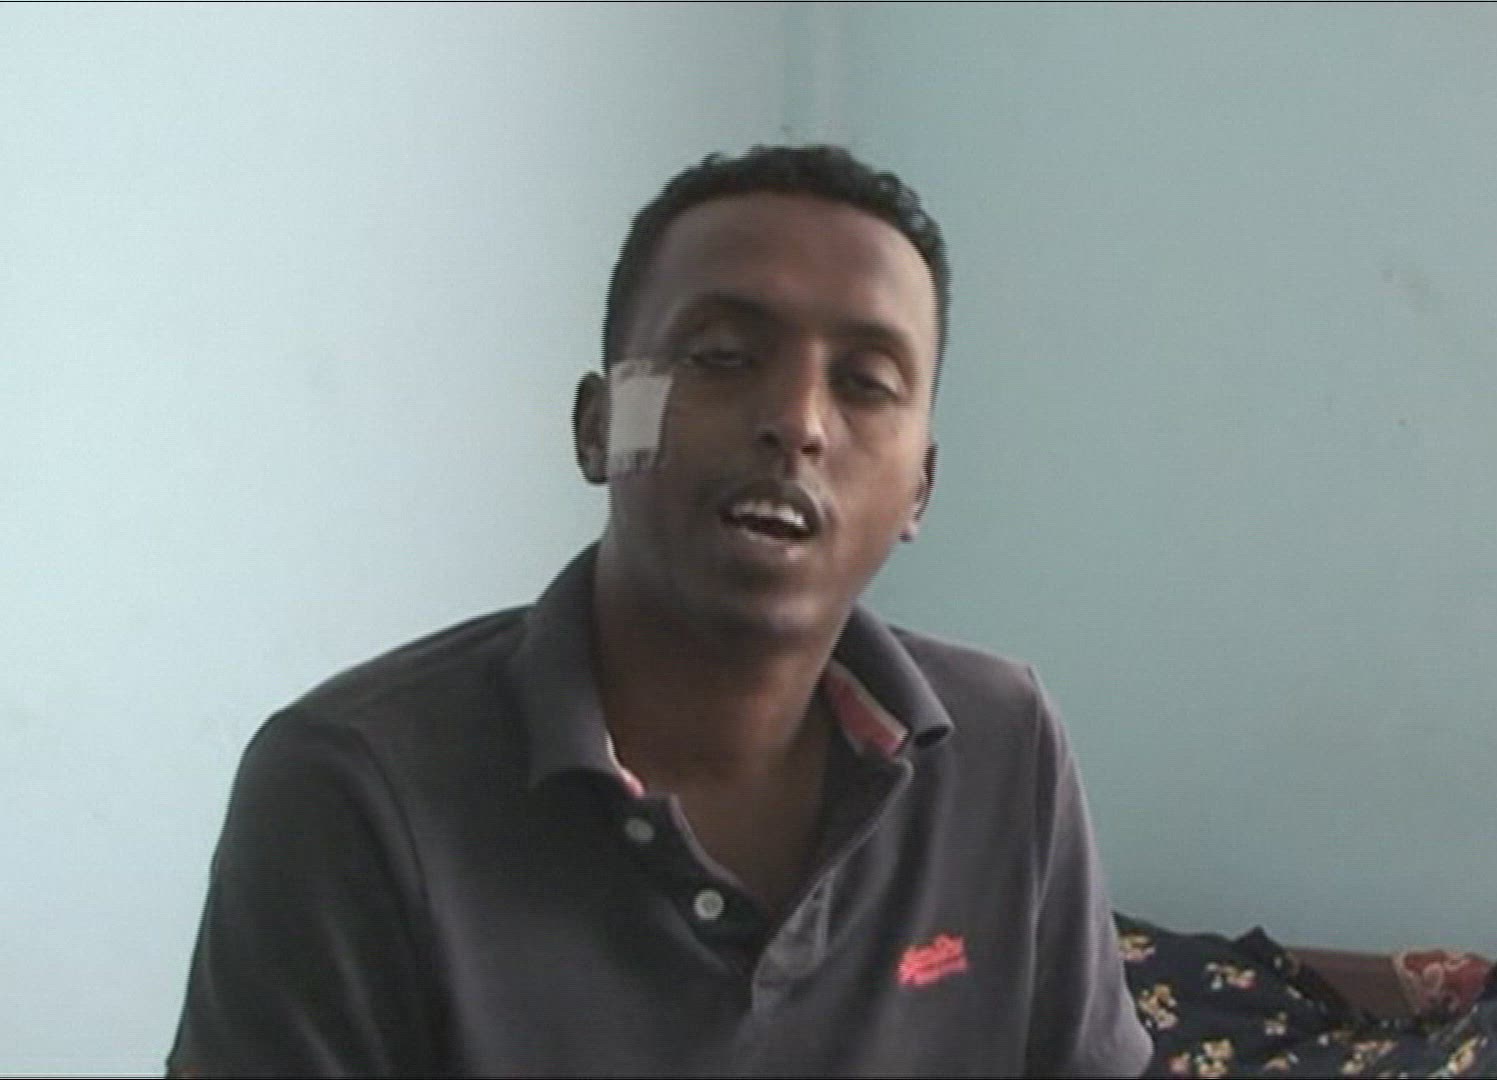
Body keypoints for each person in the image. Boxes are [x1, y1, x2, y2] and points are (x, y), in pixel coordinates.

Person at [168, 145, 1151, 1078]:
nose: (799, 421)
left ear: (920, 492)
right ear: (598, 427)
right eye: (722, 356)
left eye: (866, 383)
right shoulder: (352, 789)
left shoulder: (1004, 747)